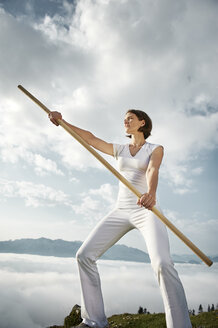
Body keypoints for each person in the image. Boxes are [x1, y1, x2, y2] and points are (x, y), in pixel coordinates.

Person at [49, 109, 192, 328]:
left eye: (130, 118)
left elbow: (153, 169)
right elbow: (90, 139)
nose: (125, 120)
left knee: (162, 263)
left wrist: (151, 193)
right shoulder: (120, 149)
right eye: (124, 118)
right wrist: (62, 122)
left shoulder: (156, 149)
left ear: (142, 123)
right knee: (84, 255)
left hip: (147, 209)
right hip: (121, 209)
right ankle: (94, 321)